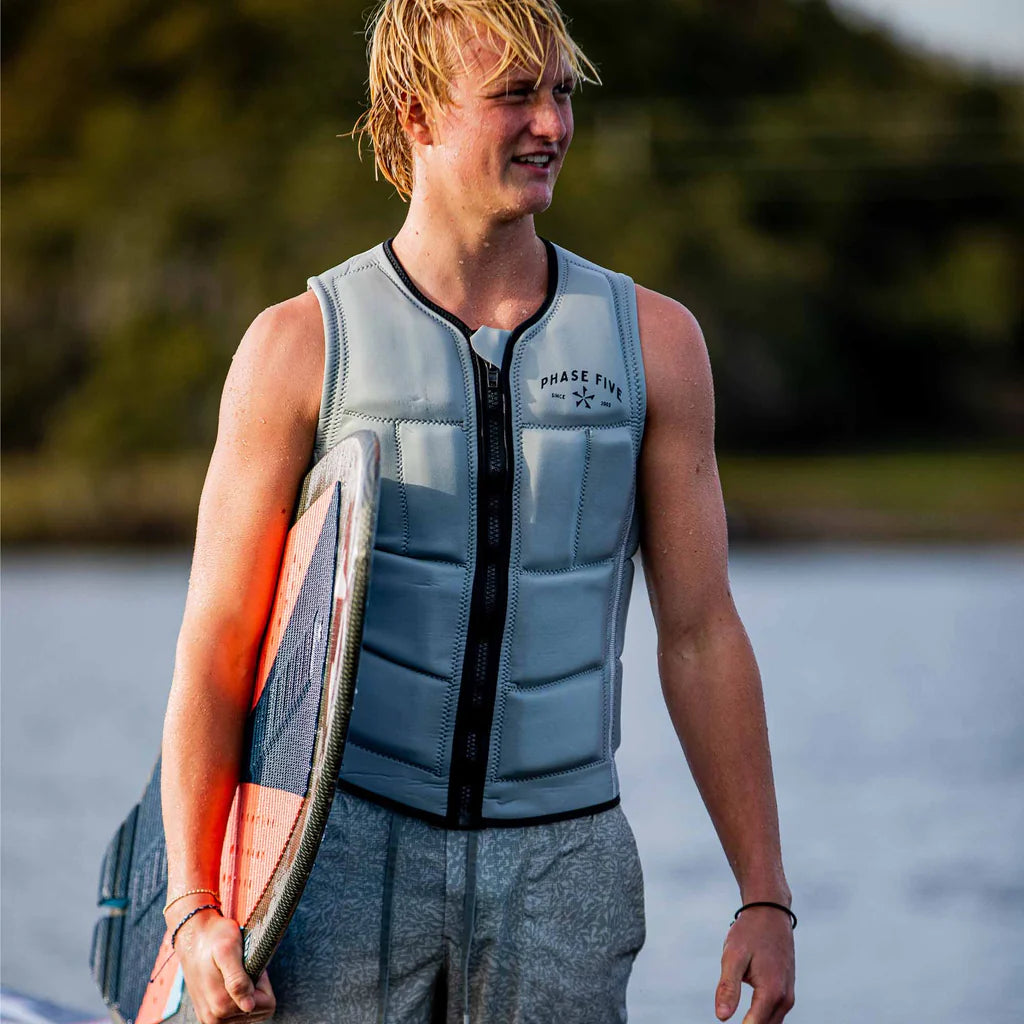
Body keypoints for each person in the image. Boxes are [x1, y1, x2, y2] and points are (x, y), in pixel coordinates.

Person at [161, 1, 796, 1022]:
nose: (550, 124)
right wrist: (195, 908)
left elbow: (700, 632)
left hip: (566, 862)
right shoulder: (297, 347)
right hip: (342, 855)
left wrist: (763, 892)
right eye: (513, 95)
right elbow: (218, 645)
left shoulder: (654, 343)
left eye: (560, 93)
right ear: (414, 115)